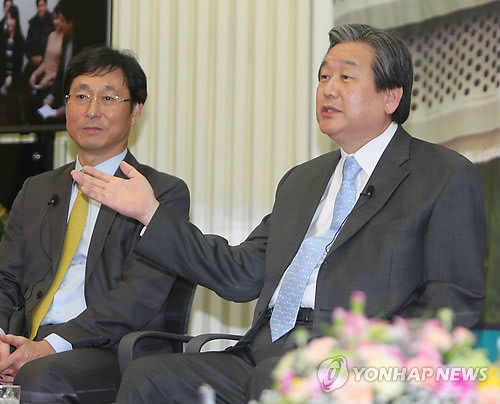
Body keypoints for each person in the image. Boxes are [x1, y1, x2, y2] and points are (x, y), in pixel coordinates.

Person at [73, 24, 487, 404]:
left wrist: (369, 356)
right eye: (323, 77)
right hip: (265, 351)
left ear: (391, 97)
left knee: (273, 380)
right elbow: (239, 274)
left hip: (351, 363)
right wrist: (150, 212)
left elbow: (454, 303)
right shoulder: (302, 181)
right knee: (150, 377)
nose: (328, 90)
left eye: (345, 78)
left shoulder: (442, 176)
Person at [0, 46, 190, 403]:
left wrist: (51, 346)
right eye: (81, 96)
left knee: (37, 379)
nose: (92, 110)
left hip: (109, 349)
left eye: (108, 98)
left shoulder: (161, 193)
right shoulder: (36, 189)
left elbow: (139, 294)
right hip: (28, 339)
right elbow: (5, 277)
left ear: (135, 112)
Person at [24, 9, 63, 123]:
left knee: (42, 114)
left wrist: (50, 77)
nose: (56, 22)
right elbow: (46, 62)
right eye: (54, 19)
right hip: (43, 83)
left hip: (54, 86)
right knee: (29, 104)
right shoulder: (51, 36)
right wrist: (35, 74)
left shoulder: (65, 39)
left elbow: (63, 69)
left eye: (59, 19)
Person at [24, 0, 55, 73]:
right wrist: (31, 57)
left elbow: (54, 45)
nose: (40, 8)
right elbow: (27, 44)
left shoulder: (52, 22)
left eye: (42, 5)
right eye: (38, 6)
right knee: (25, 72)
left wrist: (43, 57)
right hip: (33, 60)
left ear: (46, 6)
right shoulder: (33, 23)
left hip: (47, 62)